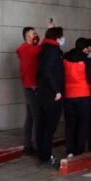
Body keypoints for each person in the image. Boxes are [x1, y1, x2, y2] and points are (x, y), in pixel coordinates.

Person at [62, 38, 91, 157]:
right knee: (83, 123)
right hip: (83, 95)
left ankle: (70, 150)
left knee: (70, 124)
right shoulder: (85, 61)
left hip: (68, 95)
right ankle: (79, 149)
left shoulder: (65, 58)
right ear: (84, 48)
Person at [37, 27, 65, 168]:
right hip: (52, 95)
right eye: (61, 36)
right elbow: (47, 71)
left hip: (43, 93)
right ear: (57, 37)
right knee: (50, 127)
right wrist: (57, 91)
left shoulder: (44, 48)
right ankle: (47, 156)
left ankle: (43, 155)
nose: (63, 39)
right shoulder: (53, 51)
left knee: (43, 126)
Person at [16, 27, 42, 156]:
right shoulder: (26, 48)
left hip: (30, 87)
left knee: (31, 117)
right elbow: (40, 50)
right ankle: (38, 147)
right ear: (27, 36)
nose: (36, 35)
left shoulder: (27, 49)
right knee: (37, 118)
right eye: (34, 33)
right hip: (32, 87)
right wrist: (50, 38)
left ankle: (28, 145)